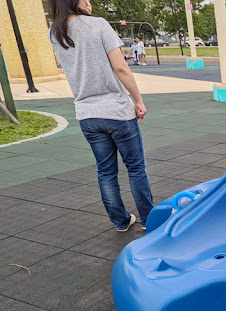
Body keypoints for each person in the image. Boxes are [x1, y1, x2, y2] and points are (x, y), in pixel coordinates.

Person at [47, 0, 154, 232]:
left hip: (87, 114)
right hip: (116, 110)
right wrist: (138, 100)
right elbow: (121, 67)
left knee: (106, 171)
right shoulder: (98, 25)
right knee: (135, 168)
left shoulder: (54, 33)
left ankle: (121, 221)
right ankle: (148, 219)